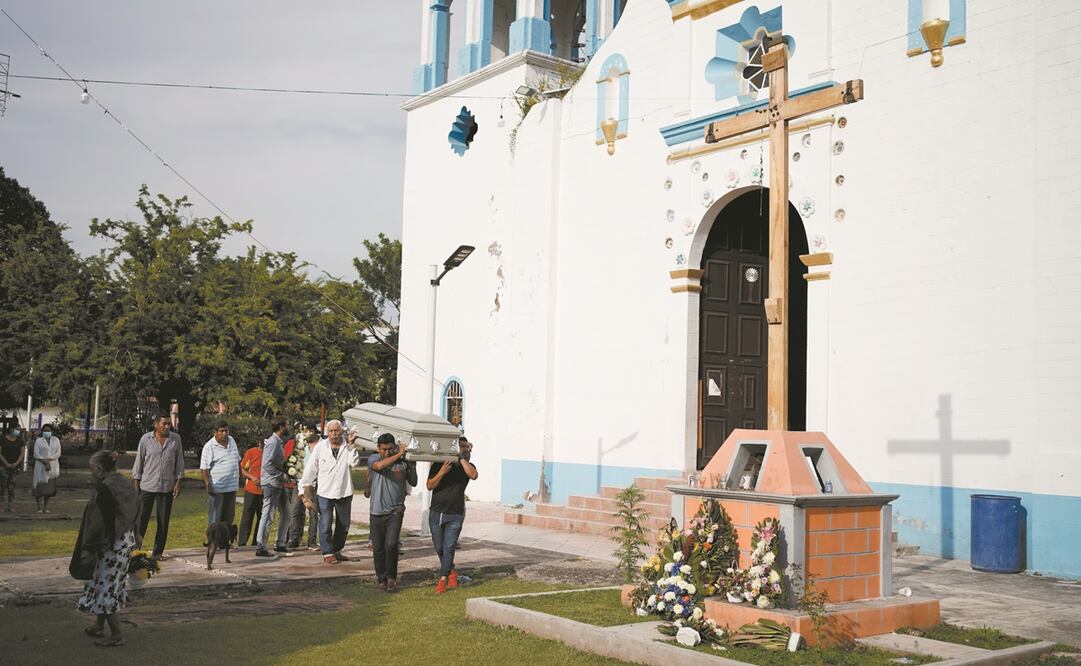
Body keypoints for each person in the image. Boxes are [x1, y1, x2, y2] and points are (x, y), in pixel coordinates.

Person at [72, 450, 139, 647]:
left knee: (104, 586)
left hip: (109, 543)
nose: (91, 472)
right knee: (107, 582)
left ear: (100, 469)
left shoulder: (103, 489)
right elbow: (137, 508)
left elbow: (96, 522)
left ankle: (117, 633)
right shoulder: (125, 483)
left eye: (92, 468)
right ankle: (99, 625)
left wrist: (89, 544)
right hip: (125, 540)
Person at [301, 421, 361, 564]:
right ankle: (327, 552)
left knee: (344, 524)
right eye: (331, 431)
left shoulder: (347, 447)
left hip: (344, 491)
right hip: (325, 492)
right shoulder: (320, 447)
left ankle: (337, 550)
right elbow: (310, 469)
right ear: (327, 433)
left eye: (336, 431)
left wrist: (351, 445)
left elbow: (355, 463)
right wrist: (303, 489)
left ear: (341, 431)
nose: (334, 434)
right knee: (325, 522)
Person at [427, 437, 478, 594]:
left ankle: (443, 580)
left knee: (448, 548)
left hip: (455, 514)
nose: (464, 449)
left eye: (466, 447)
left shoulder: (468, 466)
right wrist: (442, 472)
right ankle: (452, 573)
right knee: (439, 547)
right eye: (460, 446)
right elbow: (429, 485)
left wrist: (461, 458)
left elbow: (473, 475)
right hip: (436, 513)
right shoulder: (439, 464)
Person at [368, 432, 417, 592]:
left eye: (390, 449)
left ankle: (391, 578)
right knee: (378, 548)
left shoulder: (402, 463)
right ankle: (381, 579)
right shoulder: (373, 459)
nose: (386, 452)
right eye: (383, 449)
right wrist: (400, 453)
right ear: (378, 448)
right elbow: (380, 467)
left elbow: (414, 482)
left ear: (394, 447)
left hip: (395, 511)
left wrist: (412, 464)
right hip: (376, 511)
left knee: (391, 544)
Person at [131, 414, 184, 560]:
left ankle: (158, 552)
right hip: (147, 486)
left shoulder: (176, 439)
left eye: (169, 424)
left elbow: (179, 462)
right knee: (141, 520)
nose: (167, 426)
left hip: (167, 487)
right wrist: (136, 486)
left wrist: (178, 482)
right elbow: (138, 463)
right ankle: (135, 551)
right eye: (164, 424)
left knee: (163, 521)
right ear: (156, 424)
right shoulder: (146, 439)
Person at [254, 416, 290, 557]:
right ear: (281, 427)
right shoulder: (272, 442)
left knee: (286, 512)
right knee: (268, 514)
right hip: (271, 483)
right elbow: (267, 464)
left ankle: (280, 543)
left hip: (278, 483)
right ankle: (260, 545)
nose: (288, 428)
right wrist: (281, 475)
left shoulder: (279, 442)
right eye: (286, 425)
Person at [199, 421, 240, 526]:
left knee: (228, 518)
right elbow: (204, 468)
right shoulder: (209, 446)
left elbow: (237, 460)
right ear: (215, 432)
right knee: (215, 518)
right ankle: (213, 541)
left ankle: (225, 540)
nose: (224, 434)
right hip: (217, 488)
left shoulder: (232, 441)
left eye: (226, 431)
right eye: (221, 431)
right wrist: (208, 484)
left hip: (231, 487)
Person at [288, 431, 321, 551]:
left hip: (314, 485)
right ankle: (294, 538)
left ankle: (311, 541)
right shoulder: (301, 448)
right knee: (295, 511)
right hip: (300, 483)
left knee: (313, 513)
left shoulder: (321, 448)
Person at [237, 441, 263, 547]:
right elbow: (242, 468)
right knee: (247, 517)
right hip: (251, 489)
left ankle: (257, 542)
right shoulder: (251, 452)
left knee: (262, 518)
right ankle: (242, 542)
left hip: (265, 491)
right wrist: (252, 477)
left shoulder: (271, 453)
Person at [33, 424, 62, 513]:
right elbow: (36, 454)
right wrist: (44, 461)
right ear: (42, 431)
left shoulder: (56, 440)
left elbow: (58, 453)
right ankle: (39, 508)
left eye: (48, 430)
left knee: (49, 488)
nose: (46, 432)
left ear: (52, 431)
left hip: (52, 465)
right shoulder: (38, 441)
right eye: (45, 430)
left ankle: (45, 508)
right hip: (40, 466)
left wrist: (49, 460)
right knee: (39, 487)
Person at [1, 425, 25, 513]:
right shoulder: (3, 439)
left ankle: (11, 505)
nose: (18, 431)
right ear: (11, 429)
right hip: (3, 466)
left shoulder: (20, 441)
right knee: (2, 486)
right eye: (17, 429)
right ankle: (1, 505)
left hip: (15, 466)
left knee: (12, 486)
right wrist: (6, 464)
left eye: (19, 430)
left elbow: (22, 453)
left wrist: (16, 463)